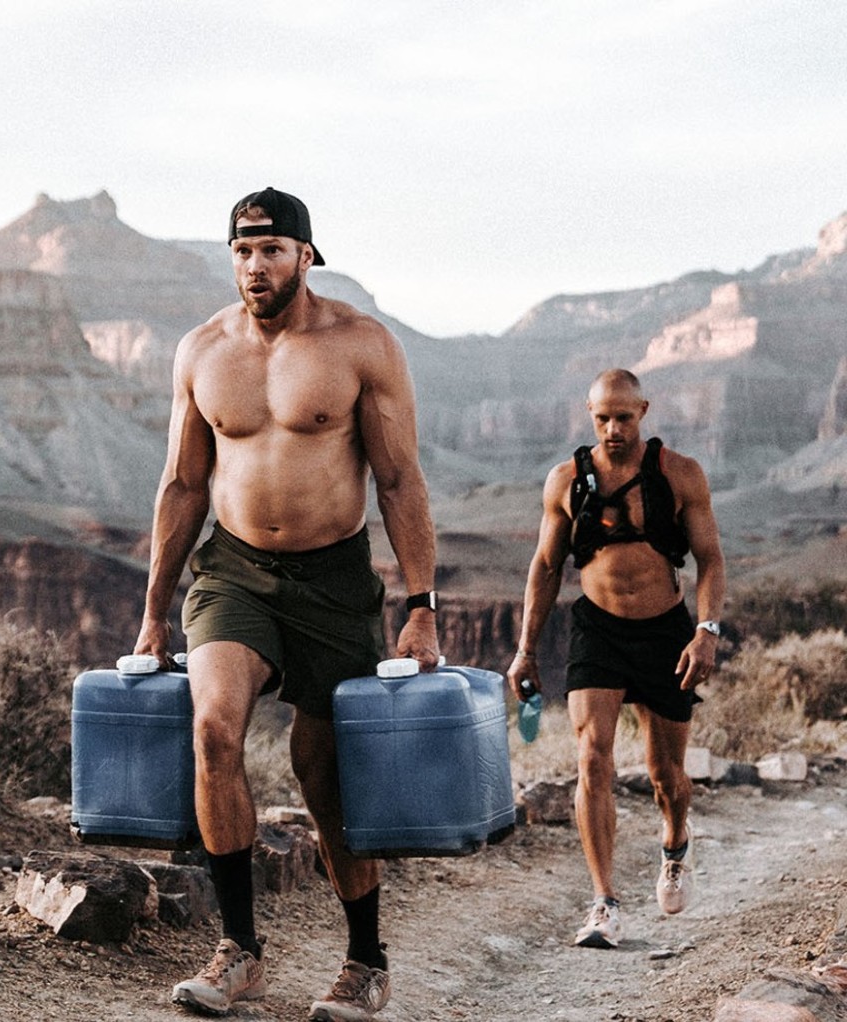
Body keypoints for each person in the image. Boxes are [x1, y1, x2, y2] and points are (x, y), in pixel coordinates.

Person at [133, 186, 440, 1020]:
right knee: (212, 727)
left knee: (323, 771)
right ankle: (240, 951)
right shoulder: (201, 351)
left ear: (306, 255)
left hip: (334, 580)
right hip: (232, 573)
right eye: (242, 250)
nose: (255, 265)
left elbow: (400, 479)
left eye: (272, 249)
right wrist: (155, 610)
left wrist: (422, 604)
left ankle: (365, 960)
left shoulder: (361, 345)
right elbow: (184, 484)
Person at [507, 368, 726, 950]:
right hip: (597, 630)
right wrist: (527, 649)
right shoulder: (565, 482)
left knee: (666, 776)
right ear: (589, 414)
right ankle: (604, 903)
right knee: (593, 760)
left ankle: (676, 843)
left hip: (665, 635)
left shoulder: (680, 475)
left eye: (623, 417)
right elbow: (546, 567)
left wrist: (705, 631)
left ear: (644, 412)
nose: (612, 429)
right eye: (602, 418)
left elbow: (710, 559)